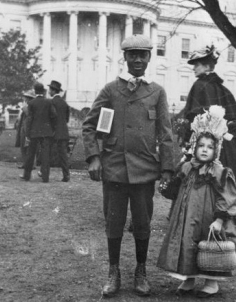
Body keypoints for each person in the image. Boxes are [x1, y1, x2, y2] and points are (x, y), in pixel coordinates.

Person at [82, 34, 174, 297]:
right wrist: (94, 157)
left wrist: (167, 168)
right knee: (113, 222)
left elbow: (166, 133)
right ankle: (113, 272)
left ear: (149, 58)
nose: (136, 59)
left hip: (144, 170)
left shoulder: (157, 92)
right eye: (131, 54)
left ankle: (141, 271)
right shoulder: (111, 90)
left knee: (143, 223)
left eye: (142, 54)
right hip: (114, 169)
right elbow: (90, 125)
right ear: (124, 57)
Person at [157, 106, 236, 298]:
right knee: (187, 242)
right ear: (194, 146)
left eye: (210, 147)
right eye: (201, 146)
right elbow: (176, 187)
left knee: (210, 246)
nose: (205, 150)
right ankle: (188, 278)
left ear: (216, 149)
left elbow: (228, 196)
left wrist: (220, 219)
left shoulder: (219, 171)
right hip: (187, 214)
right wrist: (167, 186)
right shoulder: (187, 167)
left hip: (210, 216)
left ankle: (211, 282)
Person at [181, 44, 236, 234]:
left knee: (202, 177)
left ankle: (200, 219)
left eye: (197, 64)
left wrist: (187, 140)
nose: (194, 68)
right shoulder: (222, 89)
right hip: (223, 147)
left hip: (204, 146)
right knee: (225, 179)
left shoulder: (199, 86)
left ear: (206, 66)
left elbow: (192, 118)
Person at [21, 82, 57, 183]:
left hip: (34, 132)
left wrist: (27, 133)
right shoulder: (49, 102)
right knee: (45, 154)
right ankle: (45, 177)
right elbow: (54, 116)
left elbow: (29, 119)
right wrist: (52, 129)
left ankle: (27, 175)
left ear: (35, 91)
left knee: (30, 153)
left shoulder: (31, 103)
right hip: (46, 132)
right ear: (43, 90)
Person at [48, 80, 71, 182]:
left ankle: (44, 172)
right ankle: (66, 175)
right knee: (63, 155)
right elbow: (66, 119)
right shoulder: (64, 103)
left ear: (53, 91)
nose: (49, 91)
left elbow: (51, 118)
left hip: (53, 132)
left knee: (47, 152)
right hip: (64, 132)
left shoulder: (51, 102)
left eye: (50, 89)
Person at [15, 89, 35, 168]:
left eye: (27, 97)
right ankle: (25, 163)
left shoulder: (31, 106)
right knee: (23, 146)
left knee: (29, 147)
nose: (25, 99)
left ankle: (31, 164)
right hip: (23, 128)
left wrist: (24, 109)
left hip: (28, 128)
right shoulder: (25, 105)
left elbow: (29, 116)